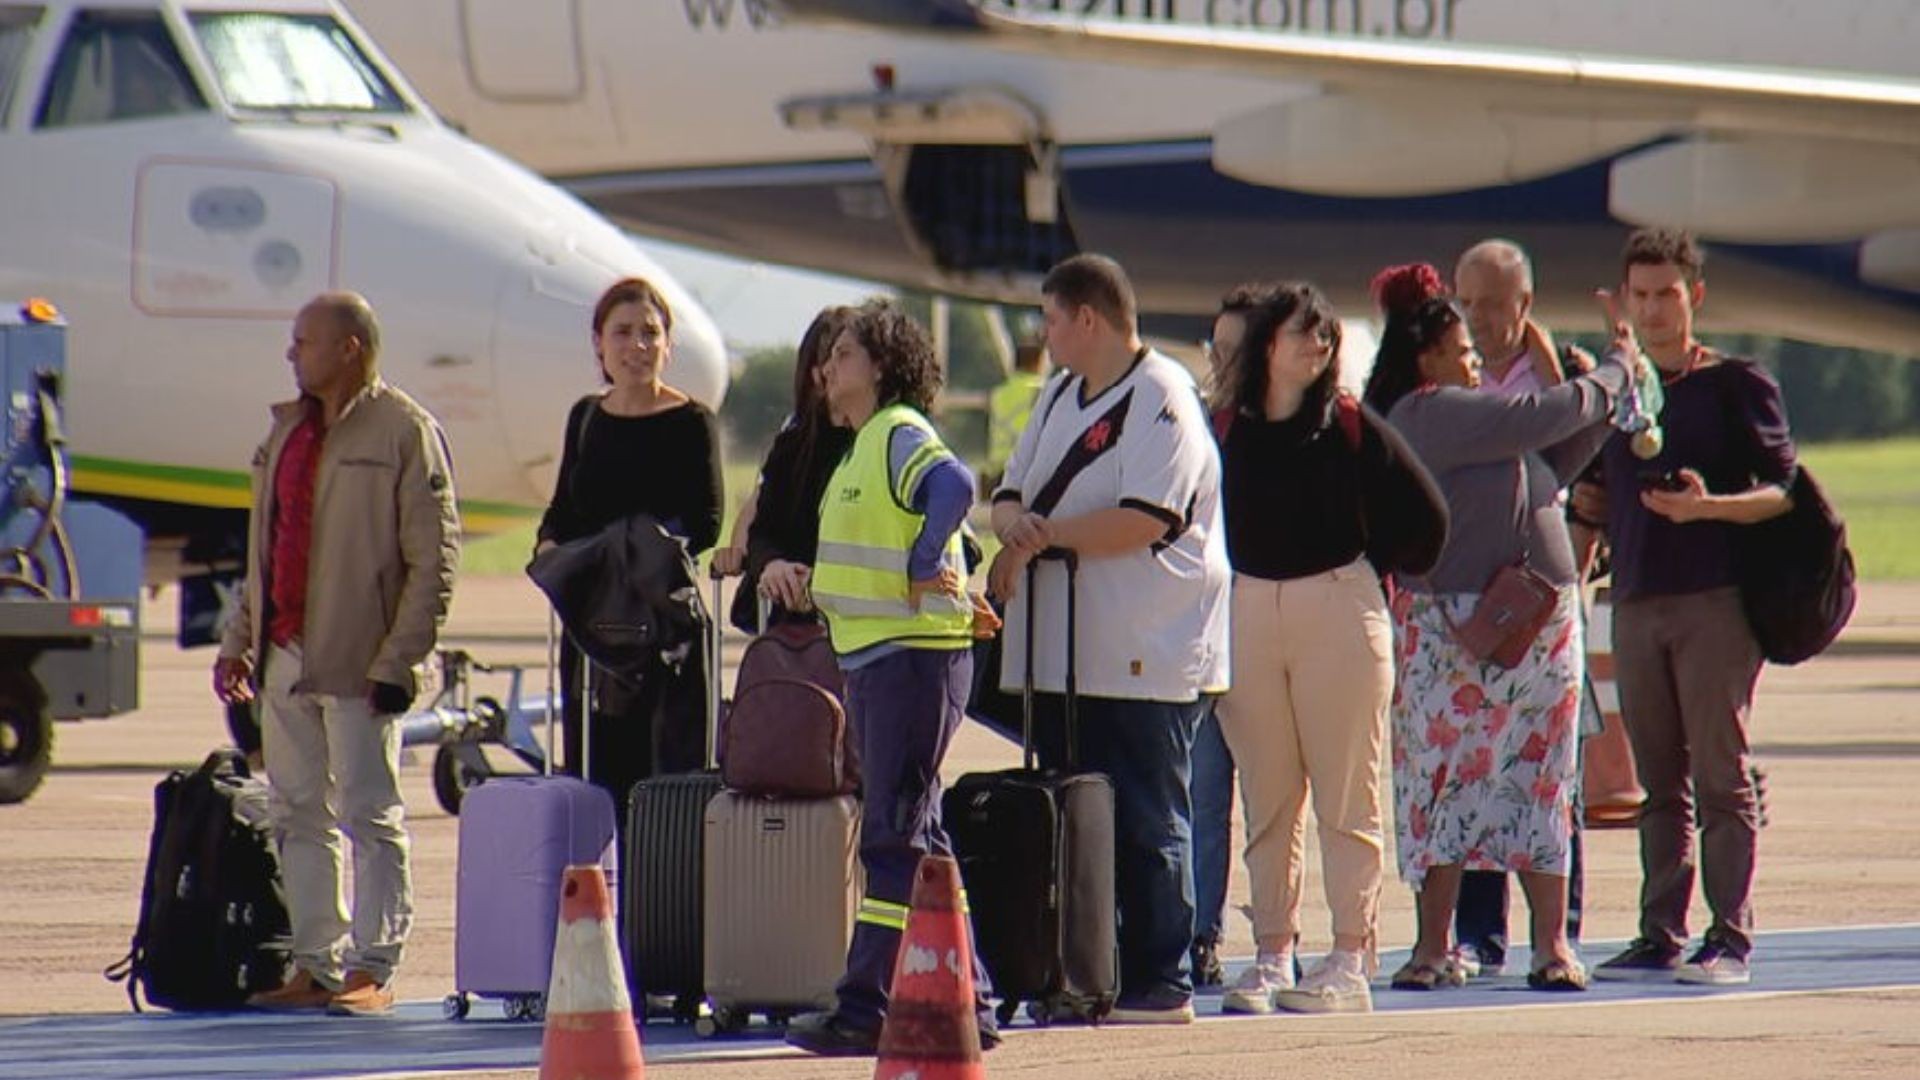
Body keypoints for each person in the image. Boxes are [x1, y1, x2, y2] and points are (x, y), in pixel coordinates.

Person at [1363, 263, 1632, 993]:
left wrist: (1603, 408)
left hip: (1534, 629)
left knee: (1543, 783)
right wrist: (1613, 373)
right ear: (1427, 359)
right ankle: (1432, 947)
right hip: (1452, 631)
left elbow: (1548, 461)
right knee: (1442, 784)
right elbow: (1531, 422)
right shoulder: (1425, 410)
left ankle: (1551, 947)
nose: (1476, 361)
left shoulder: (1469, 416)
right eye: (1463, 350)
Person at [988, 253, 1231, 1024]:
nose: (1046, 335)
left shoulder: (1162, 398)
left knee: (1148, 816)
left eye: (1052, 319)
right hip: (1066, 650)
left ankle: (1163, 977)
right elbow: (1009, 491)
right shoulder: (1059, 394)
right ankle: (1090, 967)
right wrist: (1018, 528)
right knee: (1083, 817)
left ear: (1087, 318)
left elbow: (1146, 517)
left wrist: (1041, 535)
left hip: (1145, 648)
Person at [214, 292, 460, 1017]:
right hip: (284, 653)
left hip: (360, 659)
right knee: (295, 811)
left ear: (349, 347)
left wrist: (400, 661)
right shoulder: (288, 432)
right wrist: (240, 641)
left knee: (369, 812)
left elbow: (434, 562)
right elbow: (268, 548)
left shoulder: (404, 431)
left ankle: (373, 965)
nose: (292, 354)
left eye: (305, 341)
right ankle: (316, 962)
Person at [1212, 282, 1447, 1014]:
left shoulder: (1350, 424)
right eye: (1300, 332)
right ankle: (1273, 955)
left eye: (1324, 334)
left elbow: (1426, 521)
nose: (1316, 343)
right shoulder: (1223, 430)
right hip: (1246, 609)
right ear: (1265, 347)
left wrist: (1371, 573)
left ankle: (1349, 956)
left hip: (1339, 608)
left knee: (1348, 798)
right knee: (1269, 800)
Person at [1580, 229, 1796, 988]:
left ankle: (1729, 935)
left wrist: (1710, 509)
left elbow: (1782, 492)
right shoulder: (1619, 389)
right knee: (1657, 783)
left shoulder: (1737, 383)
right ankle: (1659, 930)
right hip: (1636, 599)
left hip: (1714, 602)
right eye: (1639, 295)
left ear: (1693, 296)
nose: (1652, 309)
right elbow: (1598, 490)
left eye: (1665, 294)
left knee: (1719, 775)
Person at [784, 299, 999, 1056]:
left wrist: (923, 556)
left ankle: (865, 1005)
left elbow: (953, 486)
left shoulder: (897, 432)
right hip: (886, 661)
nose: (826, 368)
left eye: (842, 355)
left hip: (912, 659)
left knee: (891, 834)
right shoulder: (863, 446)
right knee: (923, 838)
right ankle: (973, 997)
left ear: (879, 366)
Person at [1450, 238, 1599, 975]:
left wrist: (1548, 364)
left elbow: (1580, 452)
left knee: (1546, 770)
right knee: (1475, 765)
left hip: (1539, 597)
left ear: (1525, 304)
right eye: (1466, 303)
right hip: (1473, 593)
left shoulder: (1560, 375)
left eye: (1492, 305)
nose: (1477, 320)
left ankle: (1558, 930)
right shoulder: (1454, 375)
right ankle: (1479, 932)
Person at [535, 277, 722, 817]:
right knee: (595, 774)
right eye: (622, 332)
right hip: (593, 626)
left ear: (669, 344)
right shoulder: (586, 417)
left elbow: (704, 522)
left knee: (664, 780)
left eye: (650, 333)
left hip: (663, 628)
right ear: (598, 342)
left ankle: (660, 894)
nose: (637, 346)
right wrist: (548, 546)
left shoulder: (691, 422)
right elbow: (564, 508)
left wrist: (633, 551)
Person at [710, 307, 856, 633]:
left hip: (857, 623)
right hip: (790, 618)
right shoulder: (793, 441)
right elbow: (762, 519)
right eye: (822, 360)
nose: (828, 372)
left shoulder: (888, 440)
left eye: (842, 357)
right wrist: (768, 564)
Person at [984, 339, 1048, 494]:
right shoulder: (1042, 391)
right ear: (1037, 363)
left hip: (997, 470)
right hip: (1025, 470)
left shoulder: (997, 393)